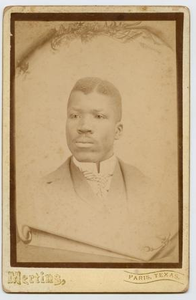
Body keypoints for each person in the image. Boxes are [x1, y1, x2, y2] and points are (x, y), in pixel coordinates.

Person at [16, 77, 179, 263]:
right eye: (74, 116)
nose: (84, 127)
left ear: (118, 130)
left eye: (98, 116)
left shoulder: (149, 189)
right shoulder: (36, 193)